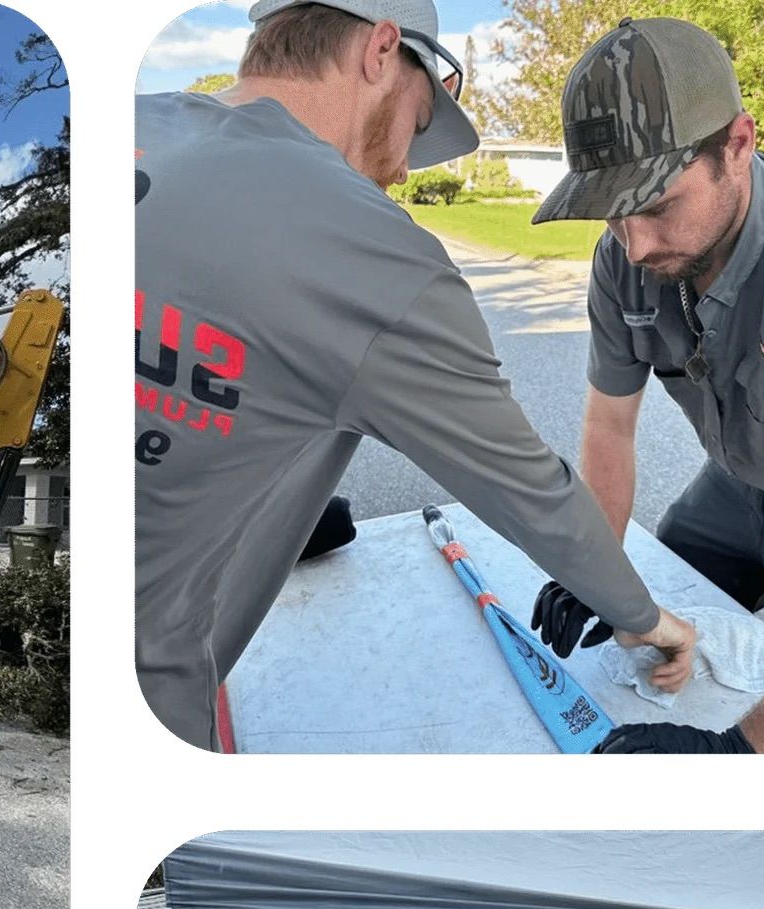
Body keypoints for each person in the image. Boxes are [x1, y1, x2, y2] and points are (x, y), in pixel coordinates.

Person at [134, 0, 699, 750]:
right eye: (419, 117)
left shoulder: (129, 121)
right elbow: (530, 489)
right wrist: (646, 620)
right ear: (381, 50)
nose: (402, 169)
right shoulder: (371, 253)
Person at [527, 17, 764, 755]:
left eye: (658, 205)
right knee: (647, 629)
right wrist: (594, 567)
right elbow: (609, 428)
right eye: (612, 208)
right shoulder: (624, 257)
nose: (633, 244)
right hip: (731, 485)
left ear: (739, 144)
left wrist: (737, 757)